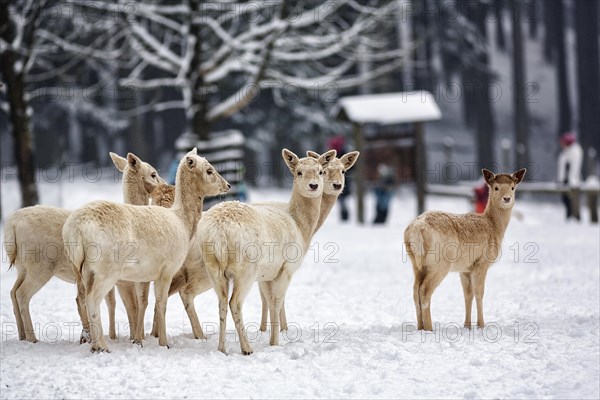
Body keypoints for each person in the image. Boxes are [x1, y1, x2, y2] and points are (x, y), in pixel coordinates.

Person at [557, 131, 583, 221]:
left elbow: (574, 168)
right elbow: (562, 168)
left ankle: (575, 218)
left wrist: (572, 181)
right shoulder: (565, 152)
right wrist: (560, 179)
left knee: (573, 201)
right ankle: (570, 217)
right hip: (565, 180)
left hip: (573, 181)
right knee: (566, 200)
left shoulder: (575, 151)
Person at [327, 135, 351, 221]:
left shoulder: (343, 155)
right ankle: (344, 217)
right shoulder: (333, 156)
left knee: (342, 201)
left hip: (343, 182)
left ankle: (344, 217)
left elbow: (351, 168)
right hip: (337, 182)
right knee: (341, 201)